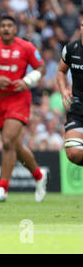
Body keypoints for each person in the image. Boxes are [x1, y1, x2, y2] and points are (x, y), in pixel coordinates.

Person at [0, 15, 48, 202]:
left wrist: (26, 81)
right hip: (0, 101)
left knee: (6, 141)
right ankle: (39, 176)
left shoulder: (26, 47)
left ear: (15, 29)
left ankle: (2, 189)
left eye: (10, 26)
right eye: (3, 26)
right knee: (15, 146)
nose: (6, 29)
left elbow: (41, 68)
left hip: (19, 99)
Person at [57, 19, 83, 166]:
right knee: (73, 153)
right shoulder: (71, 49)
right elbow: (61, 71)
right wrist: (64, 90)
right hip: (78, 107)